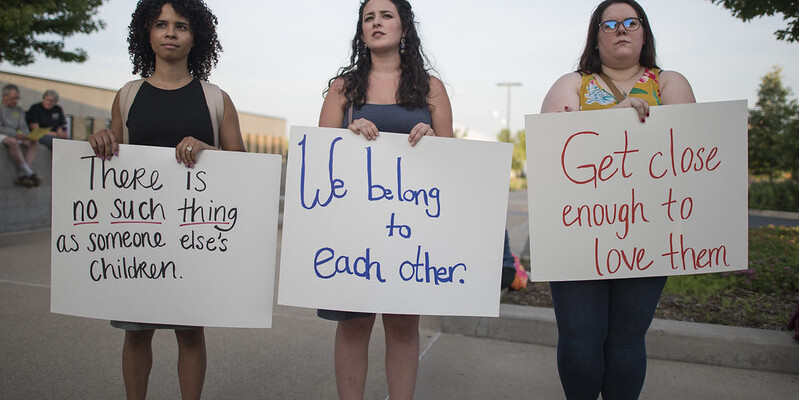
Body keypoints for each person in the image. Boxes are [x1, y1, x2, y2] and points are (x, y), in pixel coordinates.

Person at [87, 1, 245, 399]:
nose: (171, 32)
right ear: (148, 33)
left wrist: (209, 148)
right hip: (138, 237)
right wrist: (103, 140)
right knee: (136, 333)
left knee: (190, 332)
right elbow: (116, 158)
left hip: (193, 235)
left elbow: (244, 168)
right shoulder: (127, 95)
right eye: (161, 24)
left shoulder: (216, 98)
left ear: (197, 37)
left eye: (181, 26)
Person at [539, 1, 696, 399]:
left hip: (648, 230)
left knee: (627, 339)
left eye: (631, 22)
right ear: (596, 36)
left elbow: (689, 149)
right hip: (578, 229)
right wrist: (614, 118)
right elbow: (553, 149)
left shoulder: (668, 83)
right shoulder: (571, 84)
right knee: (580, 336)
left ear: (644, 31)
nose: (621, 29)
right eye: (610, 24)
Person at [317, 0, 453, 398]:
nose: (377, 23)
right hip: (353, 228)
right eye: (368, 18)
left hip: (408, 232)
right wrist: (347, 136)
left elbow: (453, 161)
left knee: (402, 325)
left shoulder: (430, 88)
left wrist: (433, 143)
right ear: (361, 32)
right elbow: (320, 157)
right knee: (354, 325)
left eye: (386, 16)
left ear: (404, 29)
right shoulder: (343, 89)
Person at [0, 84, 41, 188]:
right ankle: (30, 173)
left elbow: (23, 126)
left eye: (17, 98)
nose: (15, 101)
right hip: (4, 135)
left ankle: (23, 175)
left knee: (34, 143)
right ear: (4, 96)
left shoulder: (19, 110)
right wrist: (16, 134)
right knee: (12, 142)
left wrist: (27, 135)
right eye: (13, 98)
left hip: (16, 136)